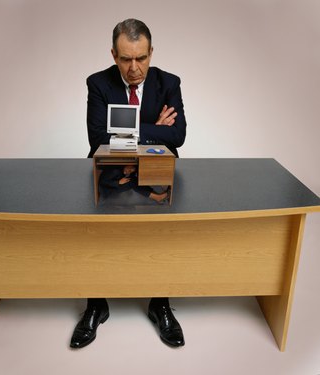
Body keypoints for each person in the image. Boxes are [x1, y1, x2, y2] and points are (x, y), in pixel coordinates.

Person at [70, 18, 187, 349]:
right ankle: (96, 305)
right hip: (109, 171)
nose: (134, 68)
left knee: (163, 230)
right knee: (95, 229)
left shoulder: (169, 83)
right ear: (113, 55)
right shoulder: (98, 83)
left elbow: (177, 136)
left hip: (158, 173)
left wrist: (125, 132)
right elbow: (97, 138)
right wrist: (152, 127)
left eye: (141, 58)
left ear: (151, 52)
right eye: (125, 59)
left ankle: (160, 303)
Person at [99, 164, 169, 203]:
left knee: (134, 180)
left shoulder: (123, 170)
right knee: (132, 182)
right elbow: (102, 182)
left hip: (114, 186)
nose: (129, 171)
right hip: (107, 190)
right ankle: (157, 197)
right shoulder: (115, 171)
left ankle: (156, 194)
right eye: (130, 168)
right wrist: (118, 182)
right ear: (128, 163)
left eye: (132, 170)